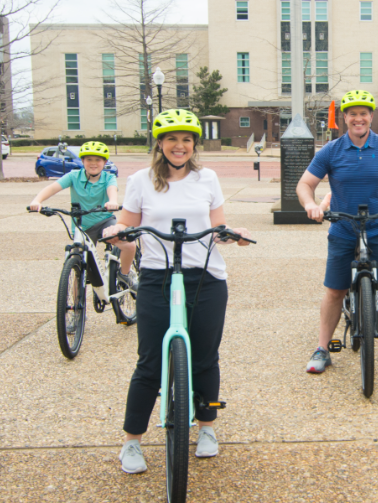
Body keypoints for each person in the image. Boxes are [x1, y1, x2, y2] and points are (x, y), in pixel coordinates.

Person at [104, 109, 251, 474]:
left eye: (186, 139)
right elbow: (126, 222)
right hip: (157, 275)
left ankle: (207, 428)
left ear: (194, 144)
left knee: (205, 358)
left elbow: (217, 224)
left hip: (205, 275)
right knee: (149, 362)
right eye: (172, 139)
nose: (179, 146)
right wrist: (115, 230)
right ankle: (131, 442)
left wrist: (232, 234)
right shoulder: (140, 180)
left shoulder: (208, 177)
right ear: (160, 143)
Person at [297, 90, 378, 374]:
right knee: (334, 291)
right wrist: (311, 205)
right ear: (345, 118)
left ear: (371, 116)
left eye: (363, 113)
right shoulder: (331, 149)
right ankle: (321, 349)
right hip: (342, 227)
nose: (358, 118)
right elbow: (305, 184)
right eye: (352, 113)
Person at [28, 141, 136, 291]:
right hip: (81, 225)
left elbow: (112, 191)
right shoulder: (74, 176)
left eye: (97, 160)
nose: (93, 163)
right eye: (88, 160)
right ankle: (76, 310)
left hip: (104, 221)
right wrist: (37, 201)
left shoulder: (108, 177)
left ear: (104, 162)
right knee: (77, 264)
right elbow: (52, 188)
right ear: (82, 161)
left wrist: (112, 201)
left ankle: (125, 274)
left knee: (129, 245)